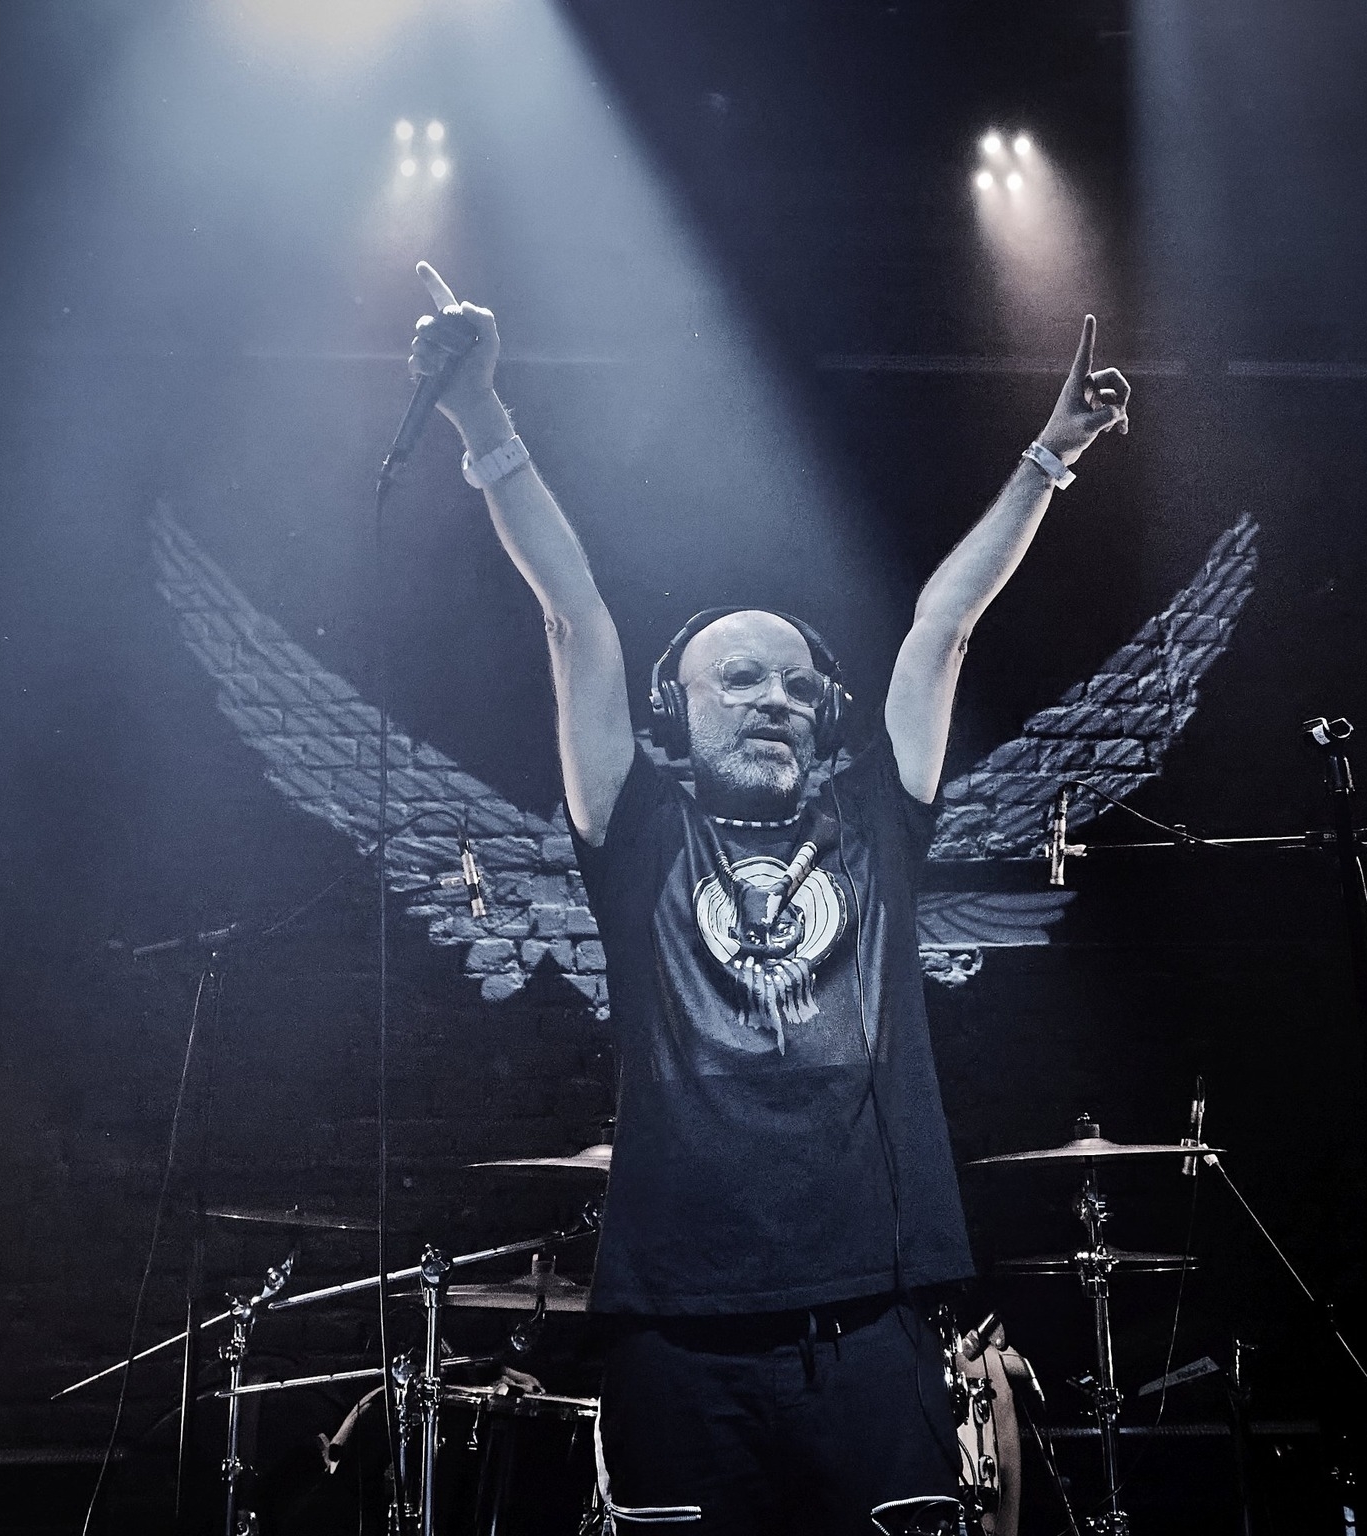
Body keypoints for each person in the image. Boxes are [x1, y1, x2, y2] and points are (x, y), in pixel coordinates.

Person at [410, 260, 1130, 1535]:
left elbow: (942, 627)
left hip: (872, 1315)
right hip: (677, 1330)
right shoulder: (635, 827)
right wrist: (479, 418)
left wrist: (1047, 460)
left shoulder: (876, 821)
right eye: (738, 681)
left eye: (796, 688)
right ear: (677, 712)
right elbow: (574, 617)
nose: (773, 702)